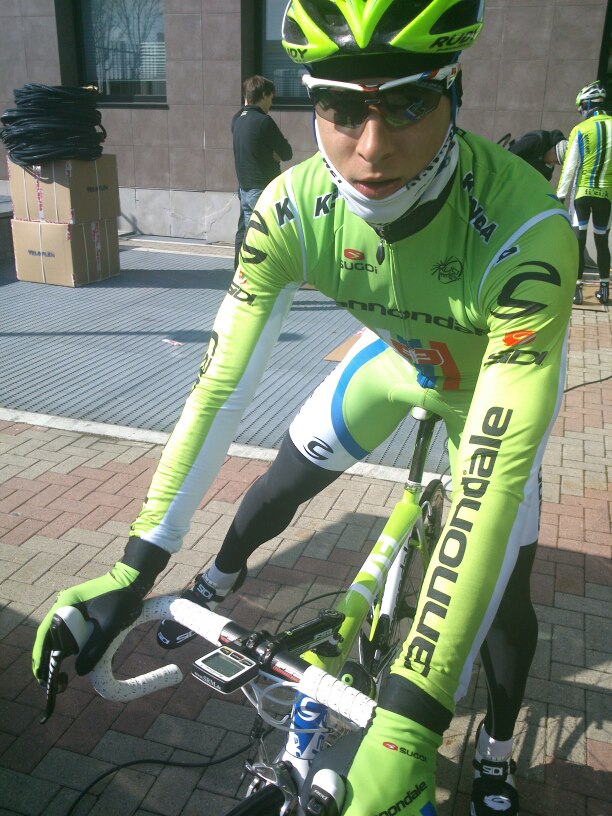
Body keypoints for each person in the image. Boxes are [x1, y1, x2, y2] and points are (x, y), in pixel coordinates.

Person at [33, 2, 578, 814]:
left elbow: (491, 480)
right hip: (399, 364)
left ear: (453, 93)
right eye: (340, 107)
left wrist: (416, 712)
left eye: (407, 102)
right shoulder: (291, 207)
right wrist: (135, 566)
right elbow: (220, 386)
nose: (371, 147)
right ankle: (220, 576)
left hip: (491, 403)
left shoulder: (525, 227)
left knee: (506, 597)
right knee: (279, 485)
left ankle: (495, 748)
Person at [557, 81, 612, 305]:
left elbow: (569, 167)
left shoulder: (580, 129)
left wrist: (560, 197)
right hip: (605, 195)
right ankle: (604, 290)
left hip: (581, 194)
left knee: (578, 242)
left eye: (581, 107)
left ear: (588, 105)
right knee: (601, 242)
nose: (581, 112)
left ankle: (577, 291)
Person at [232, 75, 293, 268]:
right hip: (263, 189)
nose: (271, 104)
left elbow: (251, 146)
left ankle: (239, 273)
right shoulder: (263, 121)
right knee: (268, 237)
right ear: (264, 95)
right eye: (271, 98)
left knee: (245, 233)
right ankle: (263, 276)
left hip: (244, 188)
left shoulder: (237, 120)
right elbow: (287, 152)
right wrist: (274, 153)